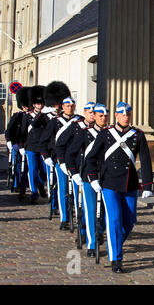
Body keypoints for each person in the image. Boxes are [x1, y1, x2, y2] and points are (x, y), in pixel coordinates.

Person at [85, 102, 154, 273]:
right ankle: (116, 258)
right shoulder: (106, 134)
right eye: (122, 114)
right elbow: (91, 157)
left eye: (128, 114)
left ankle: (113, 244)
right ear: (116, 115)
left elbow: (145, 160)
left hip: (129, 184)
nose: (125, 116)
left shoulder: (137, 135)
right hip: (110, 183)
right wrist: (92, 178)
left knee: (130, 221)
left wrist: (147, 184)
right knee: (114, 219)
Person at [66, 104, 109, 258]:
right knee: (90, 211)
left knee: (105, 211)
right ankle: (91, 243)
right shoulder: (85, 133)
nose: (103, 119)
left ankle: (101, 232)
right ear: (94, 116)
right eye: (100, 115)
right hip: (88, 176)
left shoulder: (111, 133)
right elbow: (70, 154)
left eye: (105, 116)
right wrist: (74, 172)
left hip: (106, 177)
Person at [40, 82, 78, 230]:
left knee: (76, 189)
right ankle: (64, 218)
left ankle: (77, 213)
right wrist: (46, 156)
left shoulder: (79, 120)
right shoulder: (55, 122)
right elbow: (44, 141)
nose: (70, 108)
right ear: (62, 106)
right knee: (62, 188)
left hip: (75, 160)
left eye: (72, 105)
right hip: (60, 160)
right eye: (67, 106)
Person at [55, 102, 95, 240]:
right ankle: (82, 229)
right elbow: (60, 144)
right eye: (90, 112)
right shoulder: (76, 126)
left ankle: (96, 230)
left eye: (94, 112)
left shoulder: (102, 130)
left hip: (95, 170)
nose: (92, 115)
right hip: (79, 167)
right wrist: (63, 163)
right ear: (85, 113)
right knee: (82, 203)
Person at [20, 86, 47, 204]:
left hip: (42, 147)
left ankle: (40, 184)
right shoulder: (27, 116)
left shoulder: (46, 117)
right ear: (34, 104)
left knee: (45, 171)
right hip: (31, 146)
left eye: (41, 103)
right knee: (33, 169)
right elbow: (22, 132)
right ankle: (34, 191)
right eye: (37, 103)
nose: (39, 105)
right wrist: (21, 146)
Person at [5, 87, 30, 198]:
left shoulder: (33, 117)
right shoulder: (17, 116)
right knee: (17, 165)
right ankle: (16, 183)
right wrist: (9, 141)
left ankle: (25, 183)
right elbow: (9, 130)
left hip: (27, 144)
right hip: (16, 143)